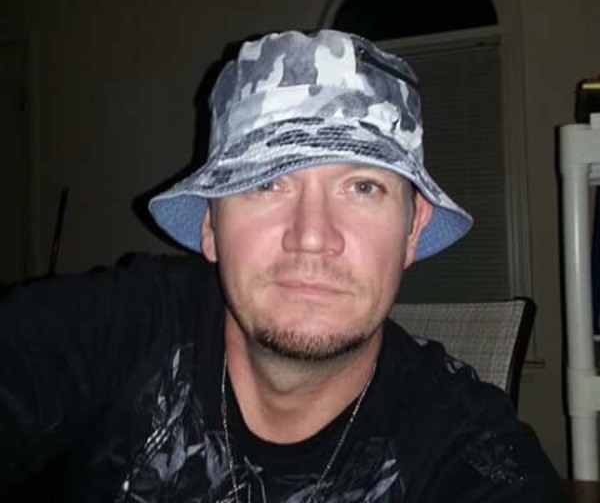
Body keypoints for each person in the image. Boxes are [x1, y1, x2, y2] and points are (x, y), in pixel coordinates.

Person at [0, 29, 564, 502]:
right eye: (266, 183)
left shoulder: (461, 443)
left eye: (362, 187)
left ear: (412, 231)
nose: (312, 237)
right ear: (210, 227)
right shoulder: (123, 331)